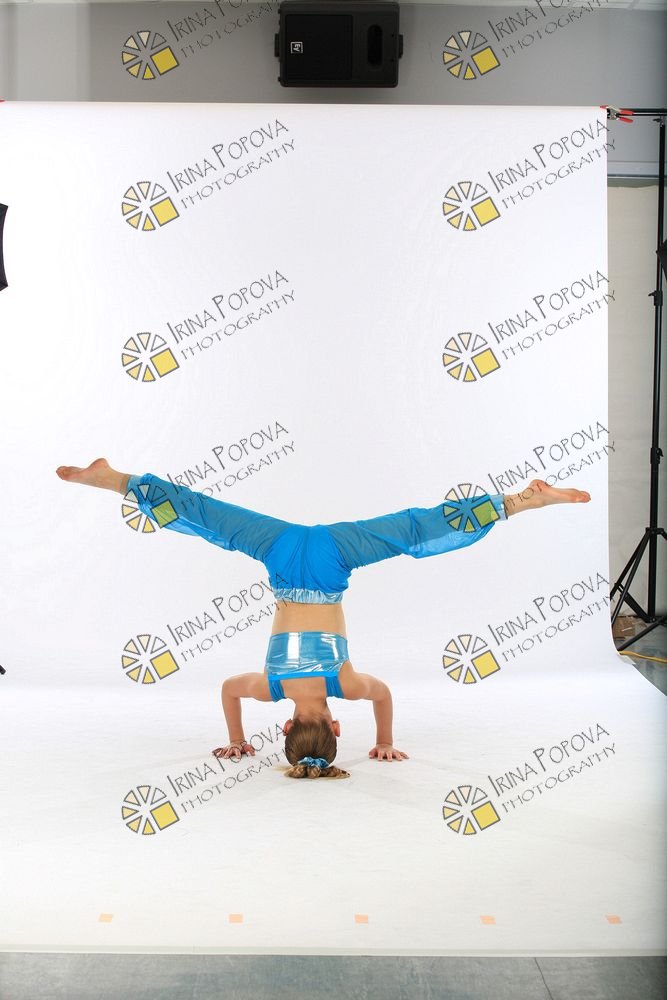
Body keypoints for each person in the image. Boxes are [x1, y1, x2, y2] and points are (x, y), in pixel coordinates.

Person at [56, 459, 590, 779]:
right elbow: (227, 690)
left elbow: (383, 696)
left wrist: (384, 739)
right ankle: (117, 481)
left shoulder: (345, 683)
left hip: (334, 558)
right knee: (207, 513)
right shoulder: (270, 687)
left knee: (413, 528)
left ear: (336, 726)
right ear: (286, 726)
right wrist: (237, 738)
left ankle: (518, 502)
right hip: (283, 554)